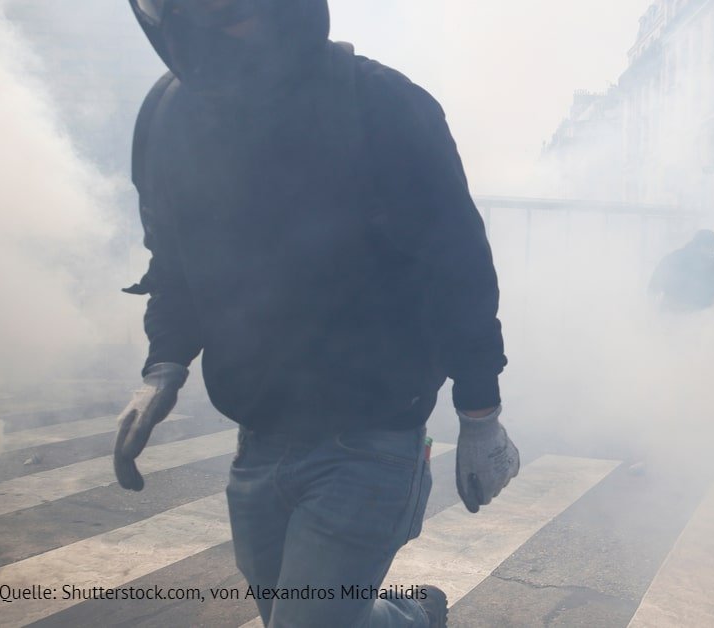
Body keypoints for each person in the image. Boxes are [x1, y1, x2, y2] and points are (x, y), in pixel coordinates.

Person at [111, 1, 519, 626]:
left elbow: (457, 265)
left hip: (372, 436)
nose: (222, 21)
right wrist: (163, 363)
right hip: (259, 436)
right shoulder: (169, 117)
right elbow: (174, 260)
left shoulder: (382, 103)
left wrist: (480, 411)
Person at [648, 229, 714, 313]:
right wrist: (650, 310)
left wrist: (711, 311)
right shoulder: (676, 258)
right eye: (708, 247)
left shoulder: (713, 263)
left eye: (712, 248)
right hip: (671, 312)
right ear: (698, 245)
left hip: (700, 316)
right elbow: (655, 284)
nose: (711, 252)